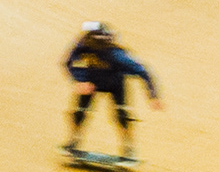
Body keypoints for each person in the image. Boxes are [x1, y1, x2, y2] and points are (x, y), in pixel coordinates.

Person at [63, 21, 161, 158]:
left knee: (122, 115)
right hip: (91, 82)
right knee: (79, 113)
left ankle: (128, 148)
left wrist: (153, 96)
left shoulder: (117, 56)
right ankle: (73, 141)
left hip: (114, 85)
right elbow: (68, 62)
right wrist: (80, 80)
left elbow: (143, 72)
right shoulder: (84, 45)